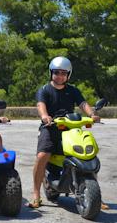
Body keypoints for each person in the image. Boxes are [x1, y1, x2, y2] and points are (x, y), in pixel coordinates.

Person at [27, 56, 102, 209]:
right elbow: (41, 105)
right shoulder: (44, 90)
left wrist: (92, 114)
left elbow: (83, 103)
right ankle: (36, 195)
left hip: (70, 128)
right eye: (56, 72)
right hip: (50, 127)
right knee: (42, 156)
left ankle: (95, 195)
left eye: (63, 73)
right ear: (51, 73)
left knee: (88, 154)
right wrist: (45, 116)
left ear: (68, 75)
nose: (60, 76)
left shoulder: (73, 90)